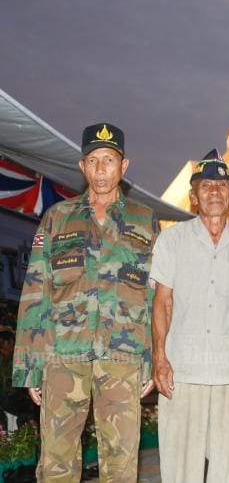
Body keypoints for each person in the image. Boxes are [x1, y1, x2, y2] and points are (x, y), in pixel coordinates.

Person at [12, 123, 158, 481]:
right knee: (57, 461)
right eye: (93, 161)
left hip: (122, 357)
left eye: (109, 160)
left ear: (124, 166)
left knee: (121, 463)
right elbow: (35, 291)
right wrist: (31, 364)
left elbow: (155, 294)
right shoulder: (57, 218)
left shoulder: (145, 219)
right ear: (82, 167)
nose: (101, 169)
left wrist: (151, 358)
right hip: (63, 355)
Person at [150, 149, 229, 482]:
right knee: (180, 469)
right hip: (183, 371)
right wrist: (159, 358)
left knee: (227, 470)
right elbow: (162, 301)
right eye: (206, 185)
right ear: (193, 196)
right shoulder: (173, 239)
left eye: (222, 185)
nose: (214, 191)